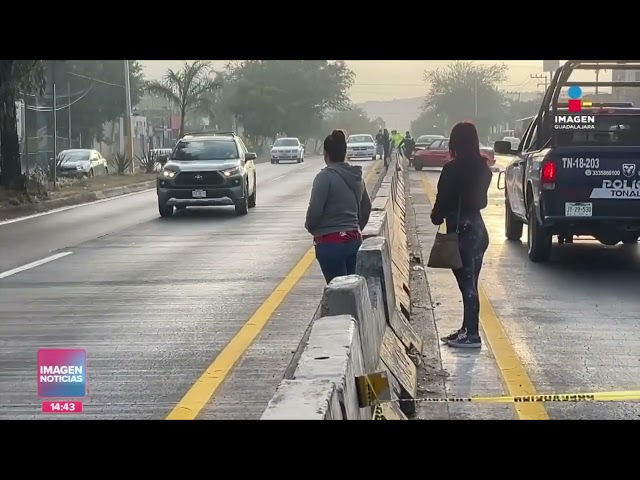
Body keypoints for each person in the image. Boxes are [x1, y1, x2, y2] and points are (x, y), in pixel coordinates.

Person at [430, 122, 492, 349]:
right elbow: (482, 202)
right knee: (471, 282)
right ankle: (466, 329)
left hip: (461, 231)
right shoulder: (483, 168)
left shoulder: (452, 169)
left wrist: (436, 217)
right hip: (478, 229)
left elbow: (442, 201)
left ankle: (472, 334)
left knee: (467, 285)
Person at [305, 129, 372, 283]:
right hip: (354, 240)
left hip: (330, 244)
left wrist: (311, 228)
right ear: (344, 152)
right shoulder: (356, 177)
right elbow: (366, 207)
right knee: (352, 289)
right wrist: (354, 227)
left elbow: (315, 212)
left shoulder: (324, 177)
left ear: (326, 154)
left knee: (338, 291)